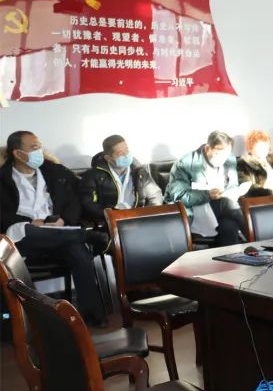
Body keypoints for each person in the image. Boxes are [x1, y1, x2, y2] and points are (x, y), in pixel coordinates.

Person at [2, 131, 108, 326]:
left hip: (58, 233)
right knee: (30, 230)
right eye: (34, 148)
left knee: (79, 253)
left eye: (39, 146)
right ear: (17, 153)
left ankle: (91, 316)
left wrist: (64, 220)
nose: (40, 151)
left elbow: (74, 200)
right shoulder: (3, 179)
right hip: (23, 239)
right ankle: (84, 235)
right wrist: (29, 221)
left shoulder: (55, 171)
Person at [165, 131, 246, 246]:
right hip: (192, 210)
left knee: (229, 225)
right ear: (208, 148)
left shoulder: (229, 159)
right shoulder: (185, 163)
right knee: (226, 203)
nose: (223, 159)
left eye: (226, 154)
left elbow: (232, 185)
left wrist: (233, 191)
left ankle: (232, 256)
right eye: (219, 153)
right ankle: (255, 238)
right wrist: (207, 195)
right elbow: (179, 195)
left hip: (219, 210)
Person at [79, 134, 164, 229]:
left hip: (139, 219)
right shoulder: (93, 176)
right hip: (110, 223)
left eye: (127, 150)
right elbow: (88, 204)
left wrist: (146, 216)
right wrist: (112, 216)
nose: (126, 155)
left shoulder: (140, 171)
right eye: (120, 154)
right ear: (108, 158)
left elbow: (155, 195)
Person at [237, 130, 273, 197]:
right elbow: (247, 187)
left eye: (266, 145)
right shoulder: (244, 163)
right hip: (262, 199)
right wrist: (270, 193)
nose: (263, 149)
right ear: (251, 147)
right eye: (260, 146)